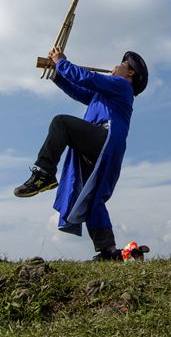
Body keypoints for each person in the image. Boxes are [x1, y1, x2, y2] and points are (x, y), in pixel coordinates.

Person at [14, 47, 148, 261]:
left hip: (105, 139)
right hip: (105, 147)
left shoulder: (121, 85)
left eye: (122, 64)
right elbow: (80, 91)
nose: (116, 66)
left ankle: (44, 174)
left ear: (130, 72)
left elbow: (88, 78)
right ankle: (108, 250)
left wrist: (61, 62)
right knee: (94, 198)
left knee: (61, 123)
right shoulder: (106, 92)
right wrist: (57, 75)